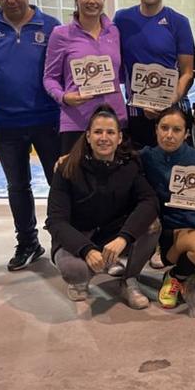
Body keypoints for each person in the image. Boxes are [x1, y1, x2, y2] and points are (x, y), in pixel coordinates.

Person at [0, 0, 62, 271]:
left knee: (59, 183)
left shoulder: (51, 26)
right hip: (8, 123)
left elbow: (61, 71)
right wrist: (5, 100)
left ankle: (64, 242)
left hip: (49, 120)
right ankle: (28, 242)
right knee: (17, 186)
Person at [46, 106, 161, 309]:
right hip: (79, 234)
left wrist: (124, 237)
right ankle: (84, 276)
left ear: (119, 138)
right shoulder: (67, 168)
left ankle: (129, 279)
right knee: (75, 271)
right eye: (98, 132)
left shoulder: (130, 165)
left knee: (153, 224)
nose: (104, 138)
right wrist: (86, 250)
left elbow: (149, 201)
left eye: (110, 132)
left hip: (112, 233)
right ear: (88, 136)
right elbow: (56, 221)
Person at [139, 106, 195, 309]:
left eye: (177, 130)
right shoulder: (146, 157)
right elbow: (113, 152)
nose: (169, 135)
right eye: (164, 128)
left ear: (186, 133)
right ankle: (175, 276)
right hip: (173, 231)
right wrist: (68, 158)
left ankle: (188, 272)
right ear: (156, 129)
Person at [114, 0, 195, 148]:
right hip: (135, 112)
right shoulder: (121, 19)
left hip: (171, 112)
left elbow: (187, 72)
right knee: (138, 171)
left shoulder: (179, 22)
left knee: (172, 173)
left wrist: (169, 100)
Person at [43, 0, 126, 154]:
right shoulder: (61, 34)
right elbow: (49, 78)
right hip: (77, 121)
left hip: (114, 120)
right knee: (76, 180)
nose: (92, 1)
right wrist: (64, 97)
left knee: (116, 180)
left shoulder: (114, 31)